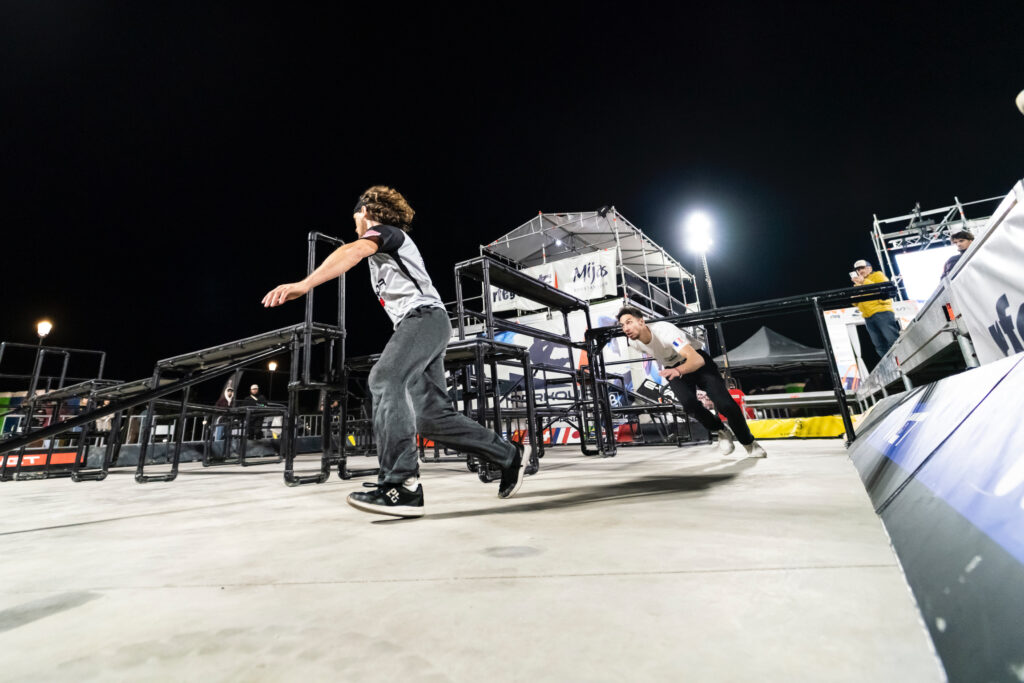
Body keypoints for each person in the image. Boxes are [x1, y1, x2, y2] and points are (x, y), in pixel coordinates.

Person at [262, 185, 530, 518]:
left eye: (355, 219)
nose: (355, 226)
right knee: (431, 419)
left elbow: (353, 251)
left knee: (385, 379)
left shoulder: (386, 233)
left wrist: (303, 285)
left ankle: (401, 485)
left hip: (423, 319)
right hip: (425, 324)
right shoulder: (387, 246)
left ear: (365, 211)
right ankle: (507, 454)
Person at [616, 306, 767, 458]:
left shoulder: (664, 331)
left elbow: (697, 360)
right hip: (672, 368)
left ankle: (748, 442)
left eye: (629, 322)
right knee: (689, 405)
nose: (625, 328)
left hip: (697, 363)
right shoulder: (634, 343)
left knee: (725, 404)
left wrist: (678, 370)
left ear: (641, 322)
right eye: (622, 325)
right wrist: (673, 369)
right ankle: (721, 430)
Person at [850, 259, 900, 358]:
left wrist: (864, 282)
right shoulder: (857, 284)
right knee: (879, 345)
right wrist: (858, 286)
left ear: (869, 268)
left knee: (892, 339)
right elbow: (854, 302)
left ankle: (903, 359)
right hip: (868, 317)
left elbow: (883, 289)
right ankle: (889, 364)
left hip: (882, 312)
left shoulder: (878, 275)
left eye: (862, 268)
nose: (860, 271)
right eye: (858, 269)